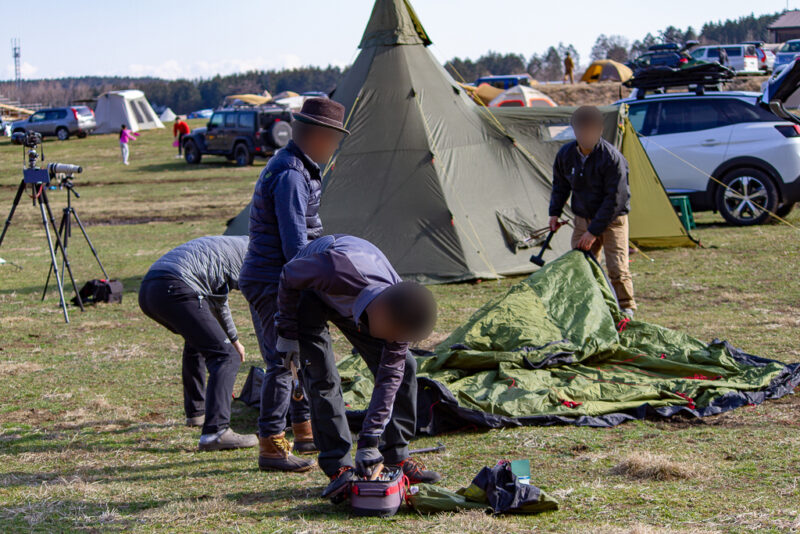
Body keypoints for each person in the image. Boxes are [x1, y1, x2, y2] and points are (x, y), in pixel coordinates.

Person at [273, 234, 442, 502]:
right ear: (382, 312)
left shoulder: (397, 314)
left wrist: (369, 441)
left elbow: (389, 381)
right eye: (393, 333)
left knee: (405, 366)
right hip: (309, 290)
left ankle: (396, 456)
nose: (392, 341)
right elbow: (289, 274)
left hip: (360, 299)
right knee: (323, 378)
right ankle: (338, 466)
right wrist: (287, 332)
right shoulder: (338, 268)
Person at [238, 97, 348, 473]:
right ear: (316, 135)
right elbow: (294, 245)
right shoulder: (289, 174)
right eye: (333, 140)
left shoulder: (300, 167)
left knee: (296, 359)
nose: (334, 149)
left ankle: (303, 432)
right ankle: (271, 444)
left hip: (282, 276)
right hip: (273, 279)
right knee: (282, 361)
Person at [138, 235, 259, 451]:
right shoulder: (254, 256)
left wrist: (234, 339)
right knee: (225, 356)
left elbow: (218, 303)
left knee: (199, 343)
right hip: (175, 287)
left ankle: (197, 413)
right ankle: (216, 432)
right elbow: (256, 301)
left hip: (150, 290)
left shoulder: (233, 246)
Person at [549, 105, 636, 316]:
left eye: (591, 131)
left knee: (617, 267)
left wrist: (593, 232)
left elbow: (615, 200)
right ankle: (590, 308)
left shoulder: (612, 159)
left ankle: (626, 309)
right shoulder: (566, 155)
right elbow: (560, 185)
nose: (586, 136)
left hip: (612, 219)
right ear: (575, 131)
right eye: (582, 131)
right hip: (582, 217)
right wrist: (554, 212)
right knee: (582, 265)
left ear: (599, 131)